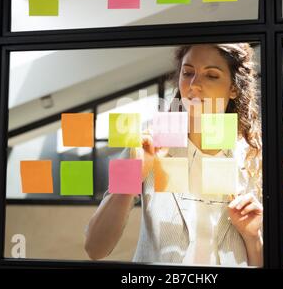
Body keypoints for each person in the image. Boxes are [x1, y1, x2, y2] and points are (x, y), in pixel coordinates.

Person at [85, 43, 263, 266]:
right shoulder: (149, 145)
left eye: (211, 75)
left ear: (234, 88)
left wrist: (252, 236)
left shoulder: (252, 157)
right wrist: (131, 177)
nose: (194, 85)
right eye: (188, 73)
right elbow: (95, 248)